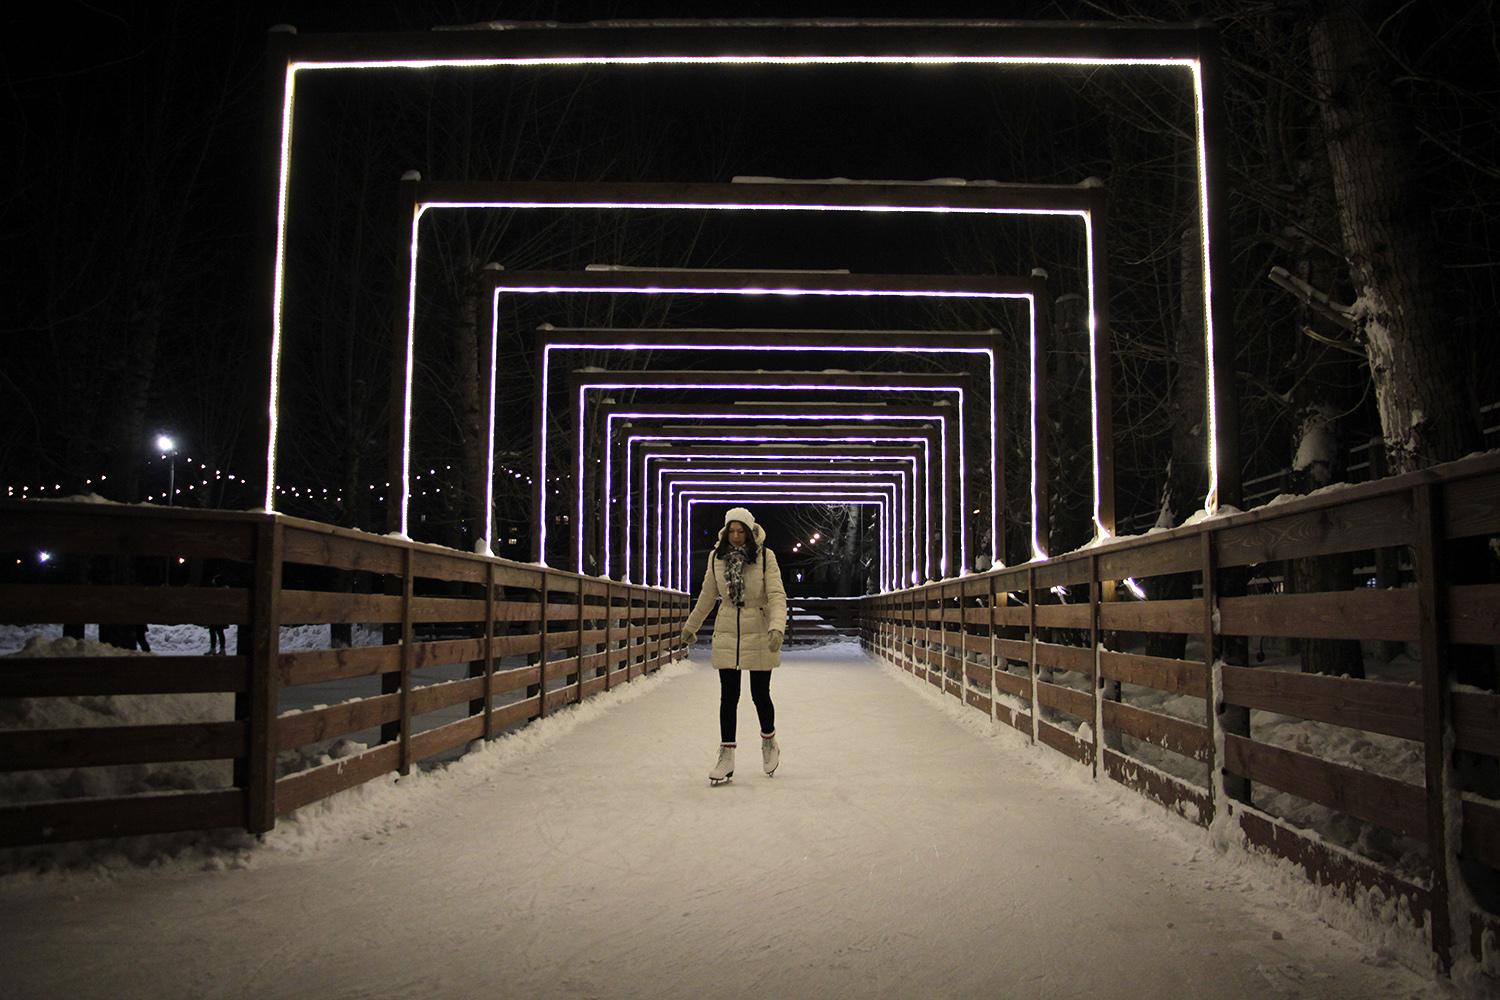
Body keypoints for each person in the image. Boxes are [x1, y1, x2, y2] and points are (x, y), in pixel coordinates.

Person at [679, 506, 788, 785]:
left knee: (759, 694)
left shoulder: (765, 557)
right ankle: (726, 755)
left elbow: (776, 595)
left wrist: (777, 627)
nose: (736, 536)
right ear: (726, 532)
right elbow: (707, 594)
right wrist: (691, 626)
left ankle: (768, 742)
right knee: (728, 697)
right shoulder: (717, 557)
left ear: (750, 532)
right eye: (732, 531)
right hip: (728, 629)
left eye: (741, 531)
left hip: (759, 627)